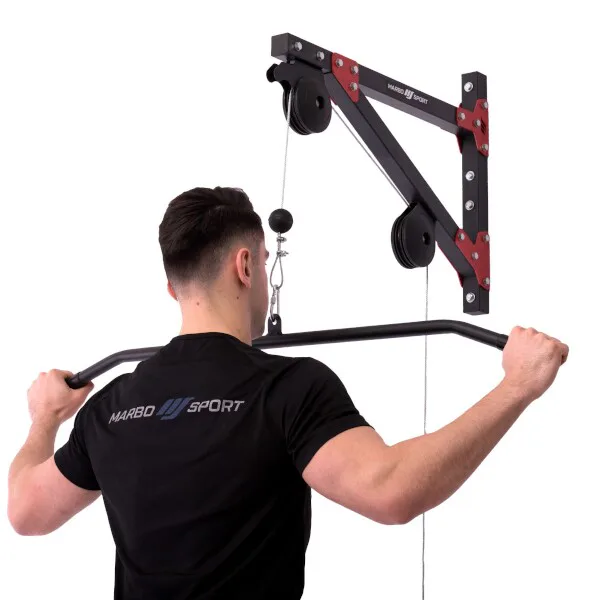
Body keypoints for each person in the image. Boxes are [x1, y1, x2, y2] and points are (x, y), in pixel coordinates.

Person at [7, 187, 569, 600]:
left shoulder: (112, 407)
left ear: (173, 286)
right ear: (245, 266)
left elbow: (25, 511)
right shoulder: (287, 388)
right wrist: (518, 386)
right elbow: (391, 489)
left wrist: (45, 418)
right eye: (265, 259)